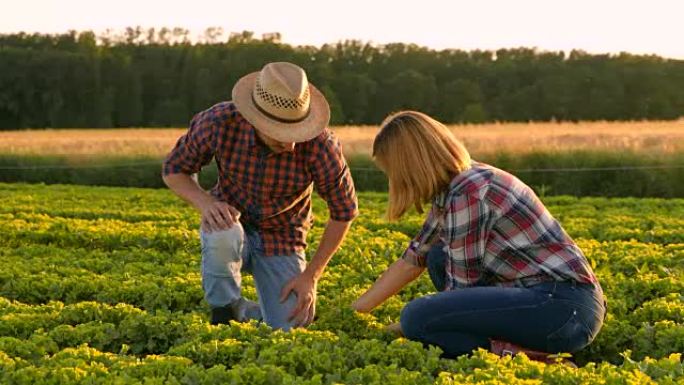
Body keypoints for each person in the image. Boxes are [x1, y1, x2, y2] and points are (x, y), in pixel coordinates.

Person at [352, 111, 605, 361]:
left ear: (411, 164)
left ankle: (529, 357)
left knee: (417, 319)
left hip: (563, 309)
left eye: (392, 171)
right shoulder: (453, 188)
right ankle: (508, 346)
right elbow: (413, 258)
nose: (393, 179)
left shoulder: (469, 192)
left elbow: (460, 289)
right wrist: (357, 311)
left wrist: (406, 326)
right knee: (437, 256)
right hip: (546, 300)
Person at [163, 62, 358, 331]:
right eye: (281, 132)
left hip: (284, 238)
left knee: (292, 326)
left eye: (296, 131)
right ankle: (226, 307)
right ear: (254, 119)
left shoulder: (321, 145)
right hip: (232, 225)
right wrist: (207, 204)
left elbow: (344, 211)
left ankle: (249, 312)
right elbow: (174, 170)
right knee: (222, 234)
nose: (291, 143)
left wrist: (310, 276)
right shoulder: (220, 122)